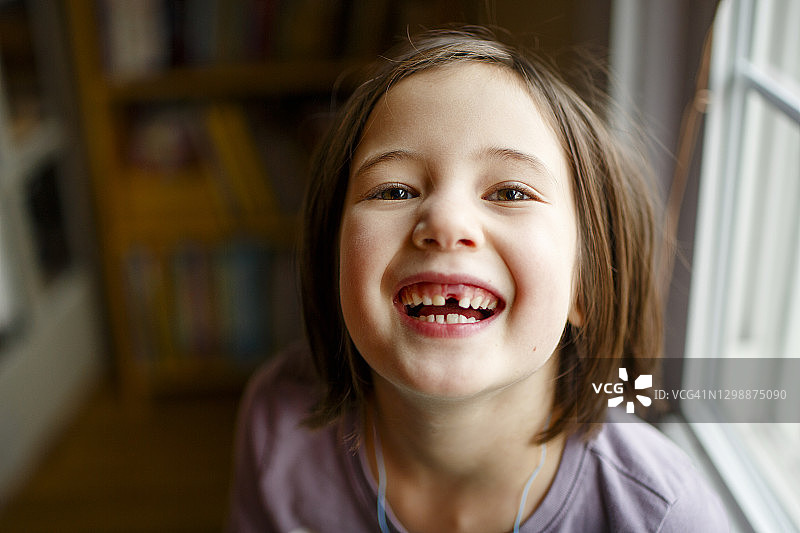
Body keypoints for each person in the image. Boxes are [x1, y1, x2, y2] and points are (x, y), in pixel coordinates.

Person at [227, 26, 728, 532]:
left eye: (511, 192)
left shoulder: (661, 514)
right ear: (332, 254)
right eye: (395, 191)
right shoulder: (278, 422)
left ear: (586, 281)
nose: (445, 223)